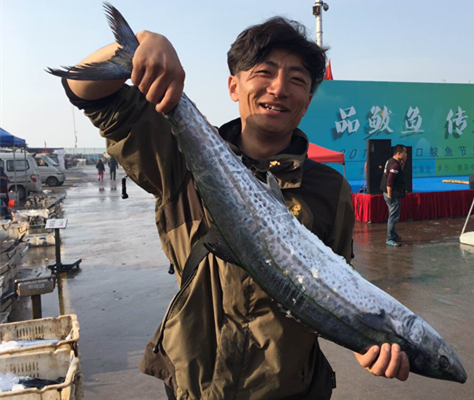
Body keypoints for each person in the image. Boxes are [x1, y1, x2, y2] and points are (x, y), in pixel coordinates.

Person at [62, 16, 409, 400]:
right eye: (264, 72)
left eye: (297, 79)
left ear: (308, 100)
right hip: (196, 390)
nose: (279, 88)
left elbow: (337, 288)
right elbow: (86, 92)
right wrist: (142, 47)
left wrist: (364, 344)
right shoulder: (178, 158)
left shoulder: (330, 189)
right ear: (233, 86)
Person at [380, 145, 407, 247]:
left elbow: (399, 173)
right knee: (393, 217)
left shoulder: (392, 162)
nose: (406, 155)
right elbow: (390, 181)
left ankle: (393, 234)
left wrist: (403, 162)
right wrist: (390, 194)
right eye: (405, 153)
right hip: (392, 194)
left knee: (394, 215)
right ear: (399, 153)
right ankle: (389, 238)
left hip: (391, 193)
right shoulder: (394, 165)